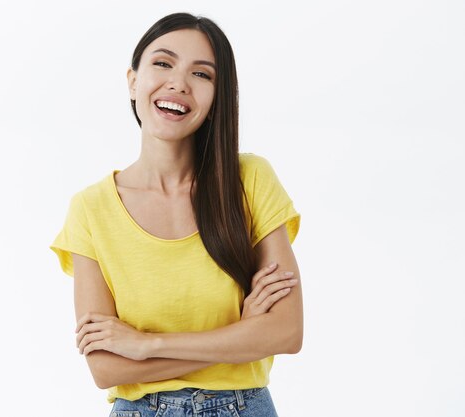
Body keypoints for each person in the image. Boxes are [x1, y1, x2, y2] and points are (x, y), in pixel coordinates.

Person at [50, 12, 303, 417]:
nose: (179, 83)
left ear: (218, 96)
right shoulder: (90, 209)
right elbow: (105, 367)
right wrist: (239, 336)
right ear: (133, 82)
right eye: (163, 63)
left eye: (202, 74)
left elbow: (286, 332)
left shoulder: (250, 180)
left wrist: (147, 347)